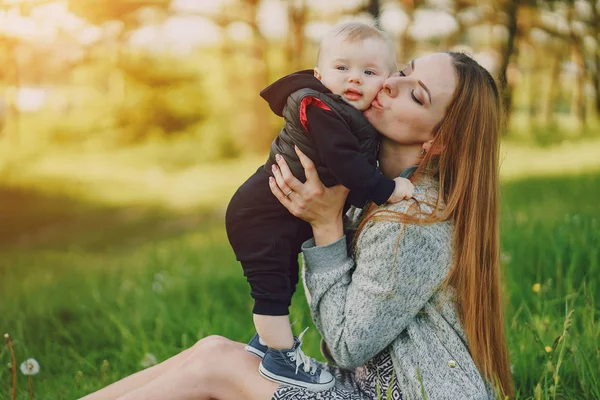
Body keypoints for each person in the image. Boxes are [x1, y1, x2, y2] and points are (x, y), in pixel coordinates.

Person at [80, 51, 514, 400]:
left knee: (220, 368)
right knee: (213, 349)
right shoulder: (376, 188)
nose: (390, 84)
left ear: (437, 140)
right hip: (369, 388)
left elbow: (346, 346)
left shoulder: (414, 218)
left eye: (415, 95)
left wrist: (325, 225)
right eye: (402, 71)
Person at [225, 22, 413, 391]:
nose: (354, 79)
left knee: (284, 280)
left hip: (280, 211)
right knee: (273, 286)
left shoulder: (352, 115)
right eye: (342, 68)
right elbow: (345, 164)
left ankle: (267, 348)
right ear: (319, 74)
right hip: (261, 212)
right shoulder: (319, 106)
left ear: (386, 81)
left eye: (368, 72)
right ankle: (280, 357)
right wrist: (387, 189)